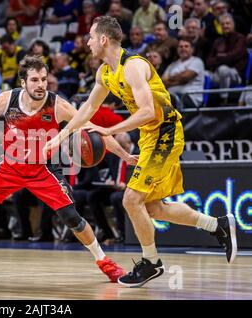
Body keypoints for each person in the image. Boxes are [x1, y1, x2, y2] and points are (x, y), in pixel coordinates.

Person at [44, 16, 237, 287]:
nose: (86, 42)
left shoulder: (133, 66)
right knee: (153, 207)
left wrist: (110, 132)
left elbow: (147, 111)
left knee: (130, 200)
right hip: (149, 137)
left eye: (90, 37)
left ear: (103, 39)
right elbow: (88, 109)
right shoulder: (104, 73)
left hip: (166, 131)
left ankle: (151, 262)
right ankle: (217, 225)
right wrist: (62, 135)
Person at [0, 56, 137, 283]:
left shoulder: (58, 105)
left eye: (44, 79)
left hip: (44, 169)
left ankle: (105, 262)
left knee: (72, 218)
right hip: (9, 166)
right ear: (23, 82)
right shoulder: (7, 100)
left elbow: (95, 130)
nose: (41, 84)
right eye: (34, 80)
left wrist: (125, 155)